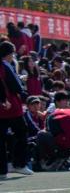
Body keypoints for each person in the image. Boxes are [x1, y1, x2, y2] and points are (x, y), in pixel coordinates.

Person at [0, 41, 33, 177]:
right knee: (22, 133)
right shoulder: (5, 65)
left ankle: (2, 170)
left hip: (5, 106)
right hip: (11, 106)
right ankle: (19, 164)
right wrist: (21, 88)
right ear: (9, 54)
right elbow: (15, 87)